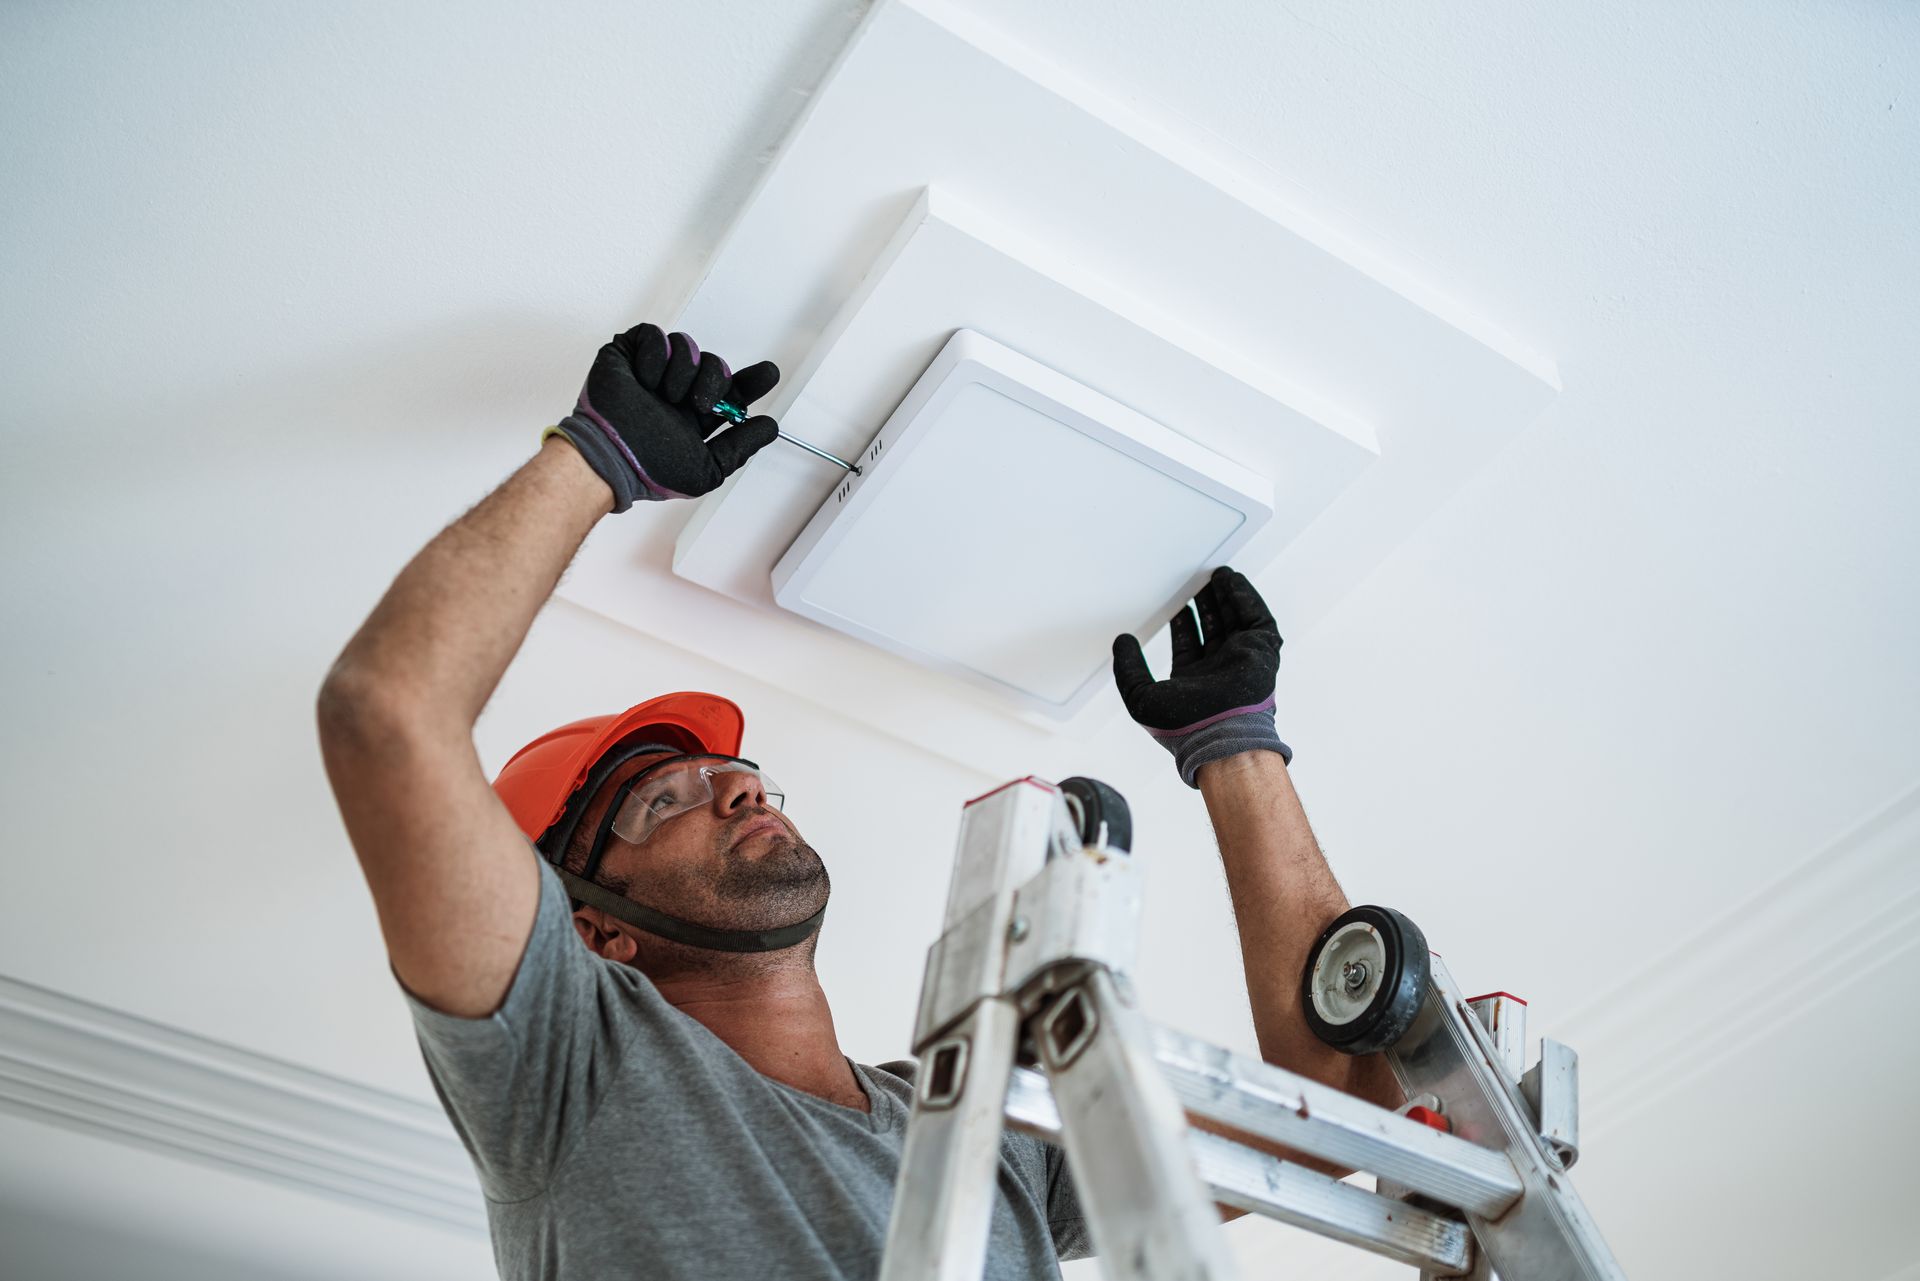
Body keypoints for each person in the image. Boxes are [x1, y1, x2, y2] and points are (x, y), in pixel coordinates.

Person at [316, 323, 1401, 1280]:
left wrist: (1234, 749)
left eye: (736, 774)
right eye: (662, 801)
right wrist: (598, 458)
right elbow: (387, 715)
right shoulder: (570, 1070)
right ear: (597, 931)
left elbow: (1334, 1108)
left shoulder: (981, 1129)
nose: (739, 785)